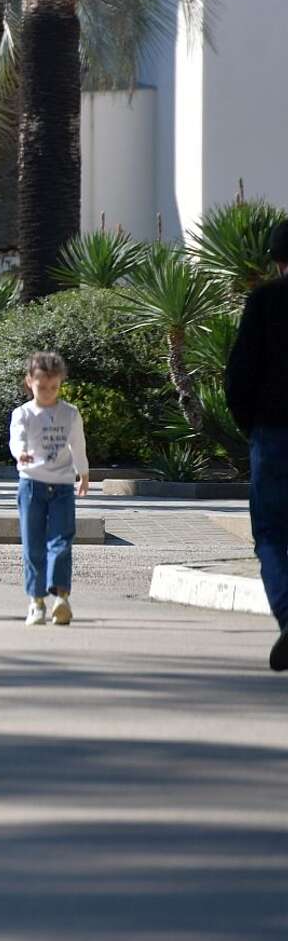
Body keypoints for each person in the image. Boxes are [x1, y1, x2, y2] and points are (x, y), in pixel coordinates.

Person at [225, 219, 288, 670]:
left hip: (273, 431)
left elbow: (240, 373)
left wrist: (251, 424)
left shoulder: (265, 301)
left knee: (269, 532)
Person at [12, 351, 89, 626]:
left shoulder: (69, 413)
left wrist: (83, 474)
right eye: (42, 387)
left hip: (62, 487)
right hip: (31, 484)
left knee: (61, 542)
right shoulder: (23, 413)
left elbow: (77, 444)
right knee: (32, 545)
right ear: (29, 382)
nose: (47, 393)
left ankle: (61, 599)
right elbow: (17, 438)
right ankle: (36, 601)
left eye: (54, 387)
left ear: (61, 384)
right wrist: (21, 453)